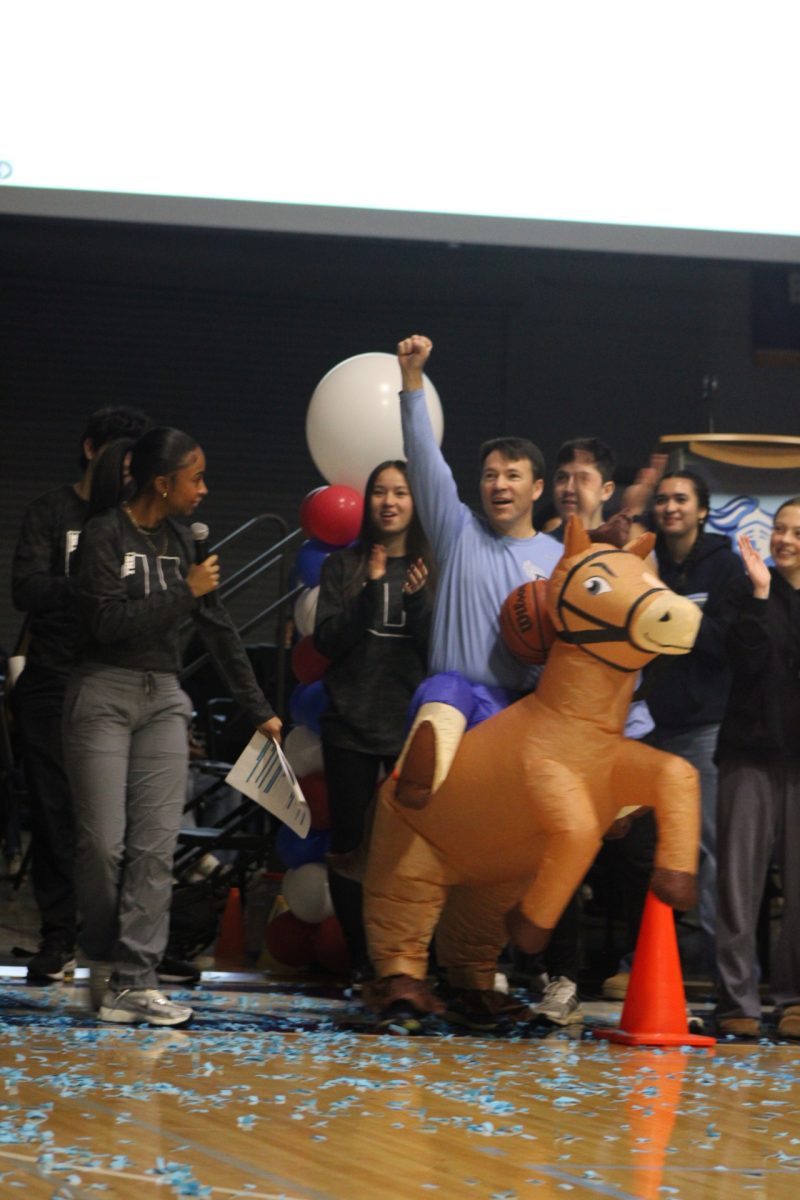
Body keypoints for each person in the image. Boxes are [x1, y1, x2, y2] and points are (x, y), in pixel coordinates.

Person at [366, 334, 561, 1029]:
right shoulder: (455, 532)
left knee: (505, 857)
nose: (498, 485)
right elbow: (425, 463)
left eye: (513, 475)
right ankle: (400, 973)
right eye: (490, 474)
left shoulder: (560, 562)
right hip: (452, 700)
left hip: (516, 718)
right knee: (442, 696)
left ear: (537, 488)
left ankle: (476, 973)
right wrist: (412, 382)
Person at [62, 427, 281, 1027]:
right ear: (163, 483)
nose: (204, 490)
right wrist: (184, 591)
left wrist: (259, 706)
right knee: (103, 847)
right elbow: (106, 622)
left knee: (156, 848)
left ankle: (136, 980)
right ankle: (101, 953)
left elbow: (219, 630)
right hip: (103, 689)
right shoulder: (105, 534)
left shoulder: (185, 542)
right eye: (197, 478)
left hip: (163, 697)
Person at [11, 405, 150, 985]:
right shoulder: (52, 510)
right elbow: (26, 588)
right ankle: (57, 937)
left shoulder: (133, 521)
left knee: (110, 822)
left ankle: (117, 940)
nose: (126, 470)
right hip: (49, 676)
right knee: (51, 811)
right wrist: (88, 587)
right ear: (93, 450)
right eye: (118, 455)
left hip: (111, 677)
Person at [313, 461, 432, 982]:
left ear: (415, 502)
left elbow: (441, 651)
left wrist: (417, 600)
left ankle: (410, 960)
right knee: (348, 849)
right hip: (351, 725)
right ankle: (365, 961)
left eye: (400, 492)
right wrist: (370, 593)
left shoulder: (433, 565)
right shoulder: (345, 565)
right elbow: (327, 642)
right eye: (380, 492)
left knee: (417, 851)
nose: (389, 501)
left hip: (411, 728)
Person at [714, 499, 800, 1040]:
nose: (786, 539)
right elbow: (744, 660)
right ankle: (736, 1001)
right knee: (737, 886)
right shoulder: (745, 589)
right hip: (748, 752)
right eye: (781, 529)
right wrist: (762, 595)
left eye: (797, 531)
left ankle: (793, 999)